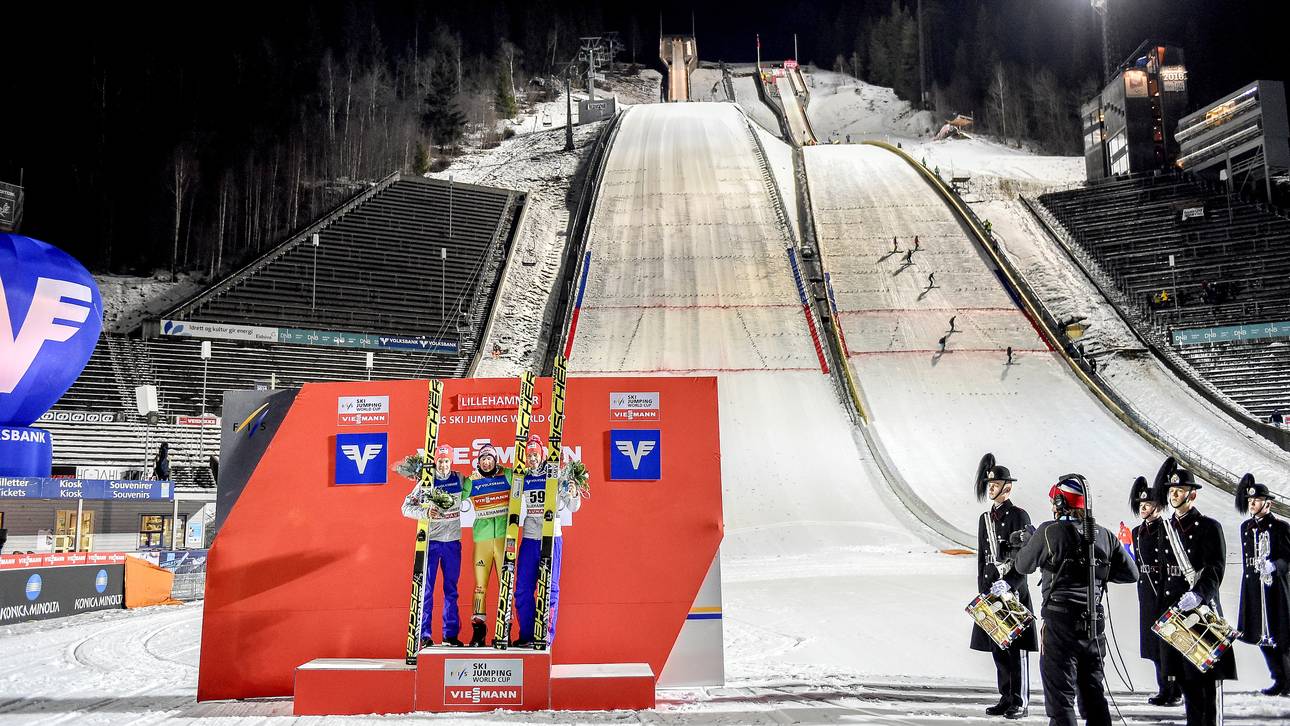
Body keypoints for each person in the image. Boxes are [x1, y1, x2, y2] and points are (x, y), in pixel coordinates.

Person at [1014, 475, 1139, 726]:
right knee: (1093, 694)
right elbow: (1131, 573)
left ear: (1061, 503)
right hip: (1093, 624)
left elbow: (1022, 565)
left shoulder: (1049, 531)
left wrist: (1030, 543)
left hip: (1060, 621)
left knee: (1061, 700)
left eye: (1054, 501)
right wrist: (1097, 572)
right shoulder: (1104, 535)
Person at [1158, 466, 1236, 725]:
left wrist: (1199, 594)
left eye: (1179, 490)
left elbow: (1215, 568)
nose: (1174, 494)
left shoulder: (1208, 527)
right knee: (1185, 680)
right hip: (1176, 613)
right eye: (1172, 490)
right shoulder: (1165, 528)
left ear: (1192, 495)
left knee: (1205, 682)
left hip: (1200, 611)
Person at [970, 463, 1036, 719]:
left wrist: (1010, 583)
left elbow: (1025, 558)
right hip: (992, 590)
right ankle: (1005, 696)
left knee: (1015, 651)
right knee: (999, 648)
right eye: (989, 484)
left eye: (995, 485)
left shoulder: (1019, 516)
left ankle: (1020, 700)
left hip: (1012, 591)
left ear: (1007, 488)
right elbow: (982, 559)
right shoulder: (985, 519)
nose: (991, 489)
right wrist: (983, 590)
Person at [513, 434, 582, 647]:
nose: (532, 459)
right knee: (522, 589)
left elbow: (573, 507)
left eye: (535, 455)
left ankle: (545, 635)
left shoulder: (556, 474)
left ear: (542, 455)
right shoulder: (523, 477)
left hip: (552, 537)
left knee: (550, 587)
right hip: (530, 538)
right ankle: (527, 634)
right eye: (529, 455)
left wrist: (573, 492)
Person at [400, 444, 467, 647]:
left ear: (451, 462)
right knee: (427, 589)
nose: (444, 465)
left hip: (452, 543)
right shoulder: (426, 482)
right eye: (440, 461)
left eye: (447, 461)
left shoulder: (459, 479)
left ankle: (450, 634)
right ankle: (424, 634)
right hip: (432, 542)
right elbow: (405, 508)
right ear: (435, 462)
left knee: (451, 590)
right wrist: (425, 513)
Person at [1235, 477, 1290, 696]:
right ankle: (1278, 678)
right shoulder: (1246, 528)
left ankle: (1288, 681)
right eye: (1250, 500)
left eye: (1256, 500)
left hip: (1275, 590)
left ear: (1268, 503)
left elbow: (1289, 559)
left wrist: (1274, 565)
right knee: (1261, 635)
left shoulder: (1280, 527)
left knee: (1281, 636)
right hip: (1254, 589)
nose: (1252, 504)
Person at [1129, 478, 1181, 706]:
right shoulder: (1136, 532)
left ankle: (1174, 690)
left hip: (1164, 590)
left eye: (1148, 504)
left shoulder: (1167, 529)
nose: (1143, 508)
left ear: (1158, 507)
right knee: (1152, 644)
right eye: (1141, 504)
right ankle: (1163, 687)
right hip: (1146, 593)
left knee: (1168, 643)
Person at [463, 443, 514, 646]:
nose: (486, 462)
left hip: (503, 539)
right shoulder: (472, 481)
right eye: (483, 459)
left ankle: (505, 629)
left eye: (489, 459)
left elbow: (526, 479)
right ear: (478, 462)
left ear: (495, 460)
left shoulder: (507, 475)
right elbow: (454, 496)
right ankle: (478, 631)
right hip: (482, 540)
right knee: (480, 586)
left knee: (506, 584)